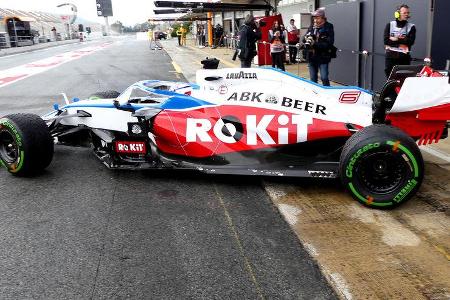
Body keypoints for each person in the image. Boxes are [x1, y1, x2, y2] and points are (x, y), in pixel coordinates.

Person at [302, 8, 335, 86]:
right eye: (314, 18)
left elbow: (329, 43)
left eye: (317, 18)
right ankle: (314, 95)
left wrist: (314, 43)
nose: (315, 20)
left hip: (323, 57)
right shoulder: (312, 26)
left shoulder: (329, 26)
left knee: (324, 77)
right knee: (313, 79)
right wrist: (306, 38)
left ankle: (327, 92)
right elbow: (303, 39)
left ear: (323, 18)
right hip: (312, 56)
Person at [384, 4, 416, 78]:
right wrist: (402, 42)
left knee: (403, 81)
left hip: (404, 59)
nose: (407, 15)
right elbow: (386, 41)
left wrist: (397, 39)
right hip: (390, 58)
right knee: (390, 81)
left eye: (408, 13)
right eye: (404, 13)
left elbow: (410, 42)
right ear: (397, 13)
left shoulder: (412, 27)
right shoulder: (389, 25)